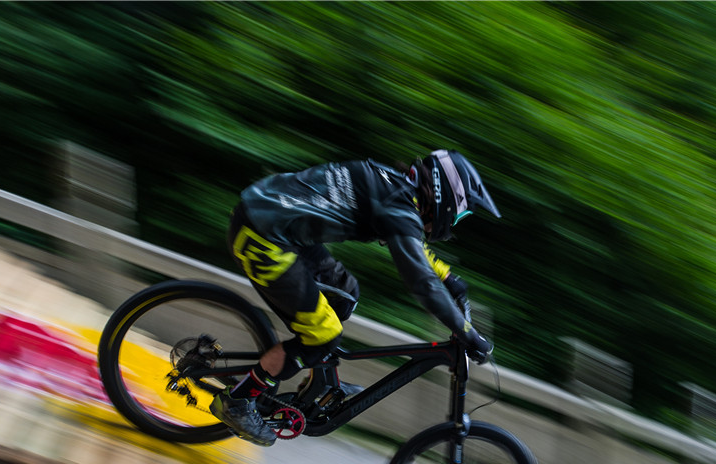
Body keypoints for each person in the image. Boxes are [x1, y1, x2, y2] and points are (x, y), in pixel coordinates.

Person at [210, 149, 499, 446]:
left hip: (279, 225)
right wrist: (467, 333)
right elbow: (421, 282)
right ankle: (238, 401)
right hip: (262, 237)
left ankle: (316, 381)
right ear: (446, 201)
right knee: (323, 335)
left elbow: (416, 248)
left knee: (345, 296)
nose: (453, 223)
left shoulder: (397, 190)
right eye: (459, 214)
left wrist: (449, 278)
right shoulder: (399, 208)